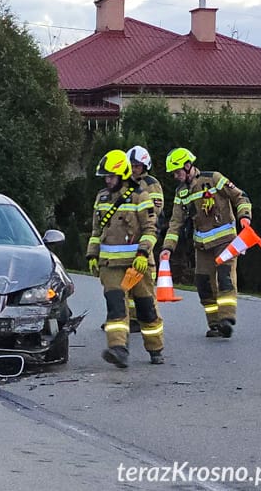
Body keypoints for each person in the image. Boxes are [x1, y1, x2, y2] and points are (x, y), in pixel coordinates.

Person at [160, 148, 251, 339]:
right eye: (173, 173)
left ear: (188, 165)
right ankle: (215, 325)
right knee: (203, 284)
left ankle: (226, 319)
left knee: (225, 278)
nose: (176, 176)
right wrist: (167, 248)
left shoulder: (214, 179)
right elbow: (175, 222)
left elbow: (240, 197)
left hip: (226, 241)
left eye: (177, 172)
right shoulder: (181, 193)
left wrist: (245, 218)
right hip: (202, 245)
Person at [87, 150, 165, 368]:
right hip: (110, 266)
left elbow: (151, 229)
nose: (107, 180)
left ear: (122, 175)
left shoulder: (141, 196)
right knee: (116, 307)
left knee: (146, 308)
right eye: (105, 177)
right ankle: (118, 349)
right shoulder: (101, 198)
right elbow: (96, 230)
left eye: (111, 176)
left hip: (137, 266)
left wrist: (143, 253)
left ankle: (155, 348)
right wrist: (92, 255)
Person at [101, 146, 165, 333]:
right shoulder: (121, 185)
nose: (135, 169)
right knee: (121, 289)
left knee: (144, 288)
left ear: (145, 166)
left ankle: (140, 319)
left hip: (143, 239)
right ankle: (124, 319)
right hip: (121, 247)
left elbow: (154, 211)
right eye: (132, 165)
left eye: (138, 166)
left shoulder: (150, 184)